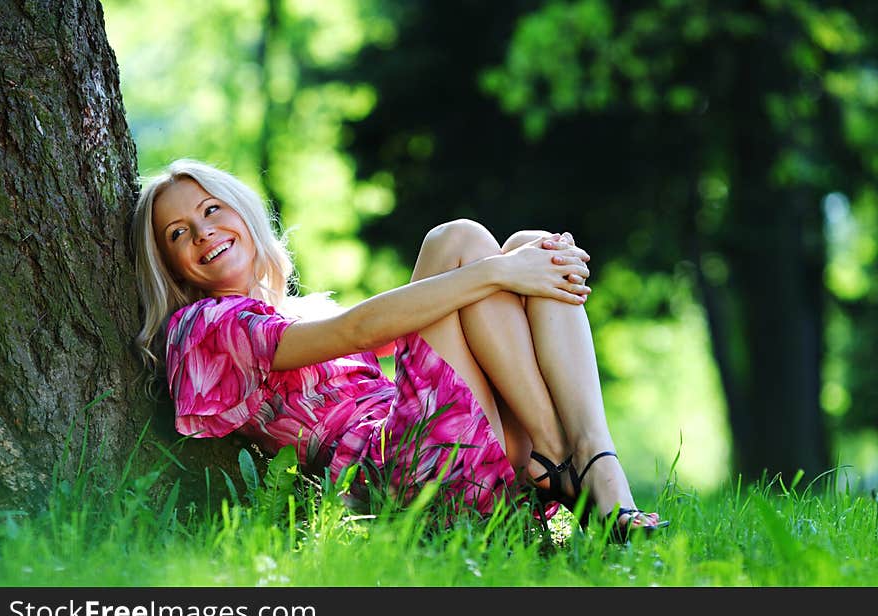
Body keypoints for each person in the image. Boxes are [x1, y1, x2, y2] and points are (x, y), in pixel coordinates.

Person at [130, 158, 669, 543]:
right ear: (171, 265)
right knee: (456, 242)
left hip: (448, 444)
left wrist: (518, 263)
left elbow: (401, 319)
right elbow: (360, 330)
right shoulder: (204, 328)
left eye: (211, 210)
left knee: (532, 244)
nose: (203, 233)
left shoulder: (298, 311)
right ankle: (568, 461)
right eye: (178, 233)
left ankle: (584, 458)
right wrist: (499, 271)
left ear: (243, 214)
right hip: (400, 472)